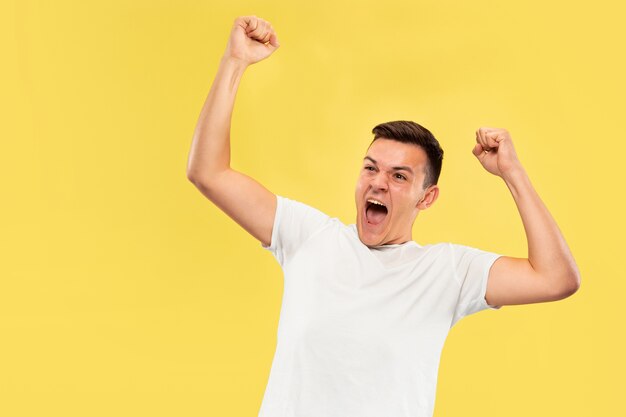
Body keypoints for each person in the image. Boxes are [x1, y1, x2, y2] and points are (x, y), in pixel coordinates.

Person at [186, 15, 582, 417]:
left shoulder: (446, 272)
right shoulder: (308, 237)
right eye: (370, 167)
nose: (378, 183)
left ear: (427, 198)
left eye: (398, 176)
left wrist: (513, 174)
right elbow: (208, 173)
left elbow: (556, 278)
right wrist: (234, 61)